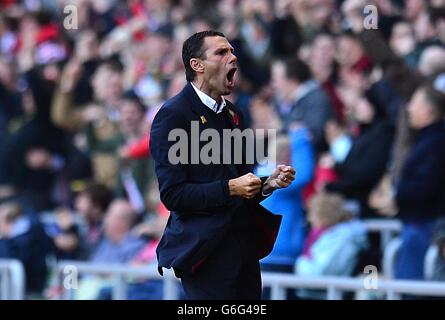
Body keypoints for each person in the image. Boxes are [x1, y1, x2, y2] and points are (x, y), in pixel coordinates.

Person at [150, 30, 296, 300]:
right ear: (198, 65)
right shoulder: (173, 116)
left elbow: (241, 182)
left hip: (243, 246)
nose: (232, 57)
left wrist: (268, 184)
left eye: (231, 50)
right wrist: (231, 188)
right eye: (221, 52)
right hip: (206, 251)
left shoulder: (234, 114)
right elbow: (174, 194)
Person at [295, 192, 368, 299]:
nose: (309, 219)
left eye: (312, 214)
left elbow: (318, 274)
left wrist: (300, 263)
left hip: (328, 294)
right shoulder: (328, 235)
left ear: (325, 216)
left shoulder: (342, 238)